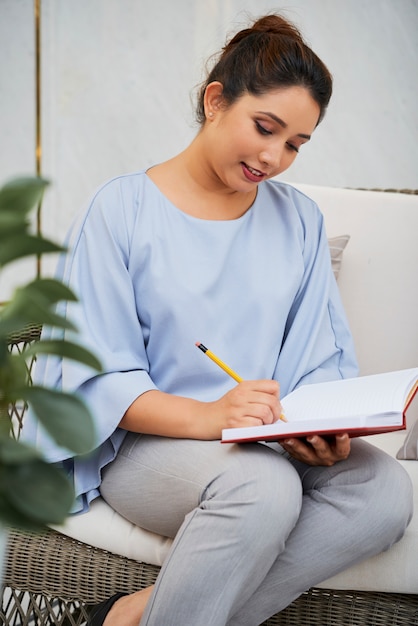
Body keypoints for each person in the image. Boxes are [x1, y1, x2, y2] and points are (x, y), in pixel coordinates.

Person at [25, 13, 412, 626]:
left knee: (382, 492)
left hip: (269, 442)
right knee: (260, 488)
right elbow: (96, 376)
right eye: (265, 128)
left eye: (295, 144)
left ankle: (137, 615)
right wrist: (210, 416)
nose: (274, 156)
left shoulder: (299, 222)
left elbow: (317, 360)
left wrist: (323, 431)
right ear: (215, 101)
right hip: (154, 445)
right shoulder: (120, 210)